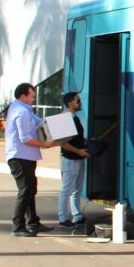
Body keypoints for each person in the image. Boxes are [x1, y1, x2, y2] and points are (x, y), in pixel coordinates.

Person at [5, 83, 59, 237]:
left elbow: (40, 123)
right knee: (25, 191)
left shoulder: (25, 109)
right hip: (19, 157)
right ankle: (18, 227)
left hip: (27, 156)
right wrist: (45, 144)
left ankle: (33, 222)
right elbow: (25, 138)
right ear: (23, 96)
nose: (34, 99)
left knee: (31, 190)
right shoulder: (20, 112)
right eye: (32, 96)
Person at [58, 92, 88, 228]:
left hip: (79, 158)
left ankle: (77, 215)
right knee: (66, 190)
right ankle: (63, 218)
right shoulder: (64, 119)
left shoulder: (75, 118)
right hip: (70, 160)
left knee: (77, 189)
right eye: (78, 101)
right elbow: (63, 144)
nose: (80, 103)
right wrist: (79, 151)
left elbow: (75, 138)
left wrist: (86, 143)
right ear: (70, 103)